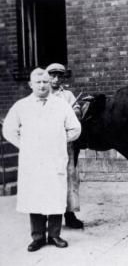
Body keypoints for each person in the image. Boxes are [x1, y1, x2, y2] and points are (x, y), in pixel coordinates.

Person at [2, 68, 81, 251]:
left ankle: (54, 235)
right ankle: (37, 237)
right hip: (33, 160)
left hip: (55, 158)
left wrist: (59, 141)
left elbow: (75, 129)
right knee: (35, 196)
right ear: (30, 84)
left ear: (49, 84)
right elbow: (8, 130)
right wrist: (25, 145)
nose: (42, 85)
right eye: (38, 82)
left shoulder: (61, 105)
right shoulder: (21, 106)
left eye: (45, 81)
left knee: (55, 195)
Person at [46, 63, 84, 229]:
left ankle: (70, 215)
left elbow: (77, 111)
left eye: (59, 76)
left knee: (70, 177)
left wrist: (72, 113)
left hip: (67, 143)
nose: (56, 79)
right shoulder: (42, 94)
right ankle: (48, 217)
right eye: (52, 75)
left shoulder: (67, 95)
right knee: (50, 179)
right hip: (47, 145)